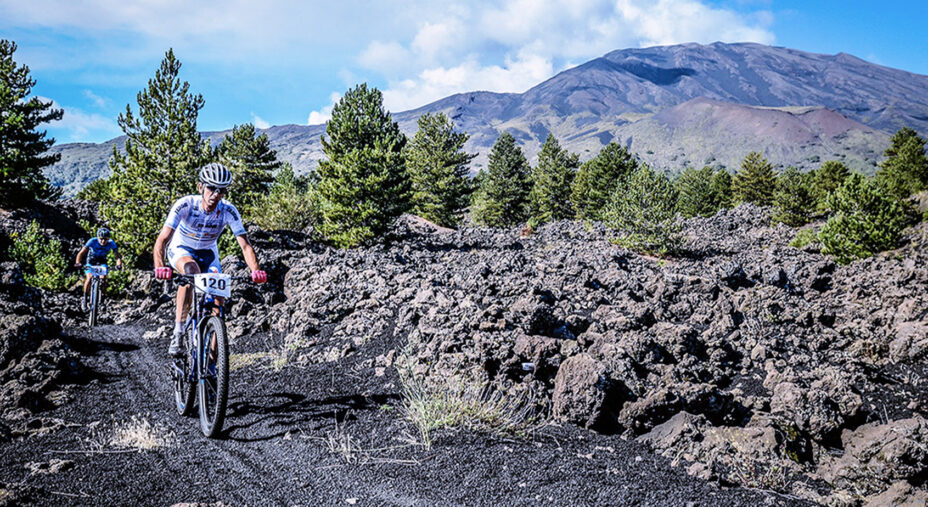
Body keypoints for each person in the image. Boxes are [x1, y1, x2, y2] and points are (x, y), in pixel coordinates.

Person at [153, 163, 267, 357]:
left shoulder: (228, 211)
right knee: (190, 272)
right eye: (211, 188)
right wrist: (160, 266)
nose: (216, 193)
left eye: (221, 190)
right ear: (200, 187)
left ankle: (214, 361)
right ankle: (179, 332)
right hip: (181, 249)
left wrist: (255, 270)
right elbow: (162, 240)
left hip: (208, 253)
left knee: (218, 296)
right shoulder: (185, 204)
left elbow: (245, 245)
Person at [74, 227, 124, 310]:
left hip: (102, 262)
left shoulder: (111, 243)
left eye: (105, 239)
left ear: (108, 239)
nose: (103, 241)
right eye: (101, 239)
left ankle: (102, 302)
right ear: (98, 238)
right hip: (91, 261)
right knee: (89, 278)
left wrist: (119, 265)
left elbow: (117, 256)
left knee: (103, 279)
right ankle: (85, 300)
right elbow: (81, 253)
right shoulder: (92, 241)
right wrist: (78, 262)